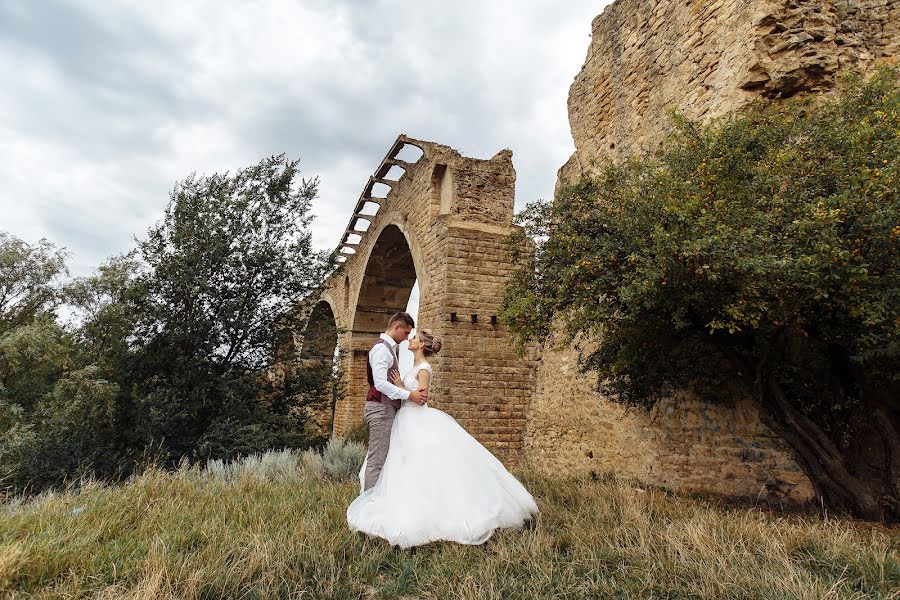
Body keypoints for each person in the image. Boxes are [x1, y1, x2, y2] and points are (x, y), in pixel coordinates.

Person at [347, 328, 539, 548]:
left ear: (421, 345)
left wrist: (400, 386)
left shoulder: (424, 369)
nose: (410, 339)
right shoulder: (416, 366)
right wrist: (401, 385)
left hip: (415, 418)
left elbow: (420, 398)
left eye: (414, 337)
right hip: (406, 420)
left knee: (420, 463)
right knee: (406, 463)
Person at [362, 312, 427, 491]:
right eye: (406, 333)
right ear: (397, 327)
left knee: (382, 459)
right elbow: (380, 383)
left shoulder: (388, 348)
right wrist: (409, 395)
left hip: (385, 408)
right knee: (377, 461)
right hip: (381, 408)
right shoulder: (382, 349)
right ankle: (368, 509)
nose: (407, 338)